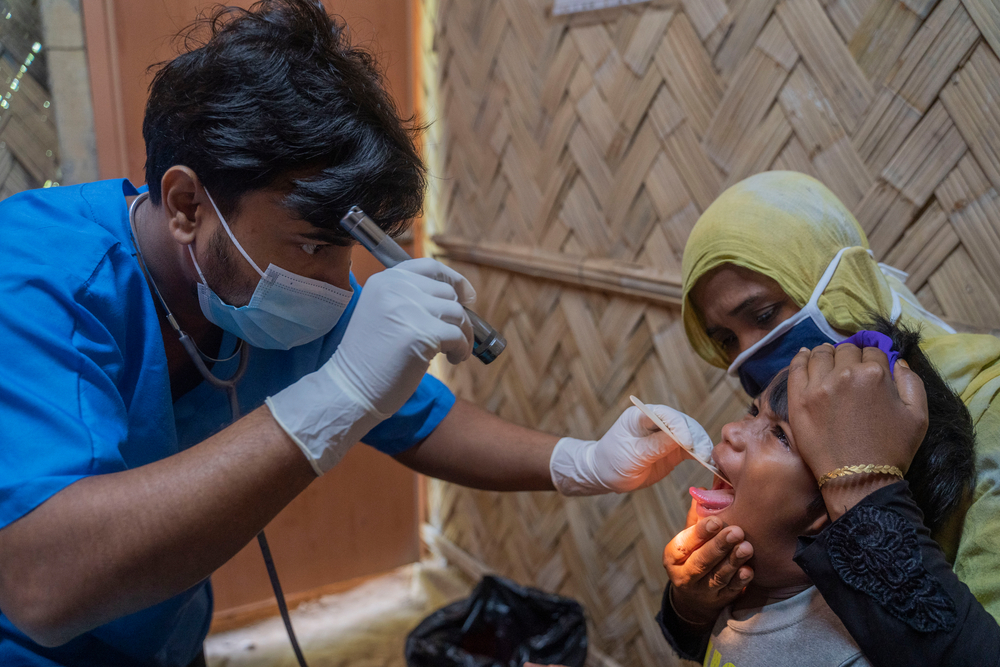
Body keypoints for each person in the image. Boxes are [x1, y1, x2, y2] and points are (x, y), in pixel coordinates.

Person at [0, 3, 693, 665]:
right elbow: (42, 586)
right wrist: (337, 394)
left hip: (163, 633)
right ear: (187, 204)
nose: (338, 286)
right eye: (312, 246)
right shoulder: (35, 277)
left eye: (350, 250)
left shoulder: (282, 288)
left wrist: (584, 461)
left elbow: (421, 420)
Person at [661, 171, 1000, 665]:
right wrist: (690, 606)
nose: (749, 353)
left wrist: (861, 493)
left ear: (842, 285)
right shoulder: (775, 412)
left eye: (762, 315)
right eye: (725, 339)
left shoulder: (985, 406)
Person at [659, 320, 985, 665]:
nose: (730, 431)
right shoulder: (729, 593)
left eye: (781, 435)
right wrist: (690, 609)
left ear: (834, 504)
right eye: (754, 411)